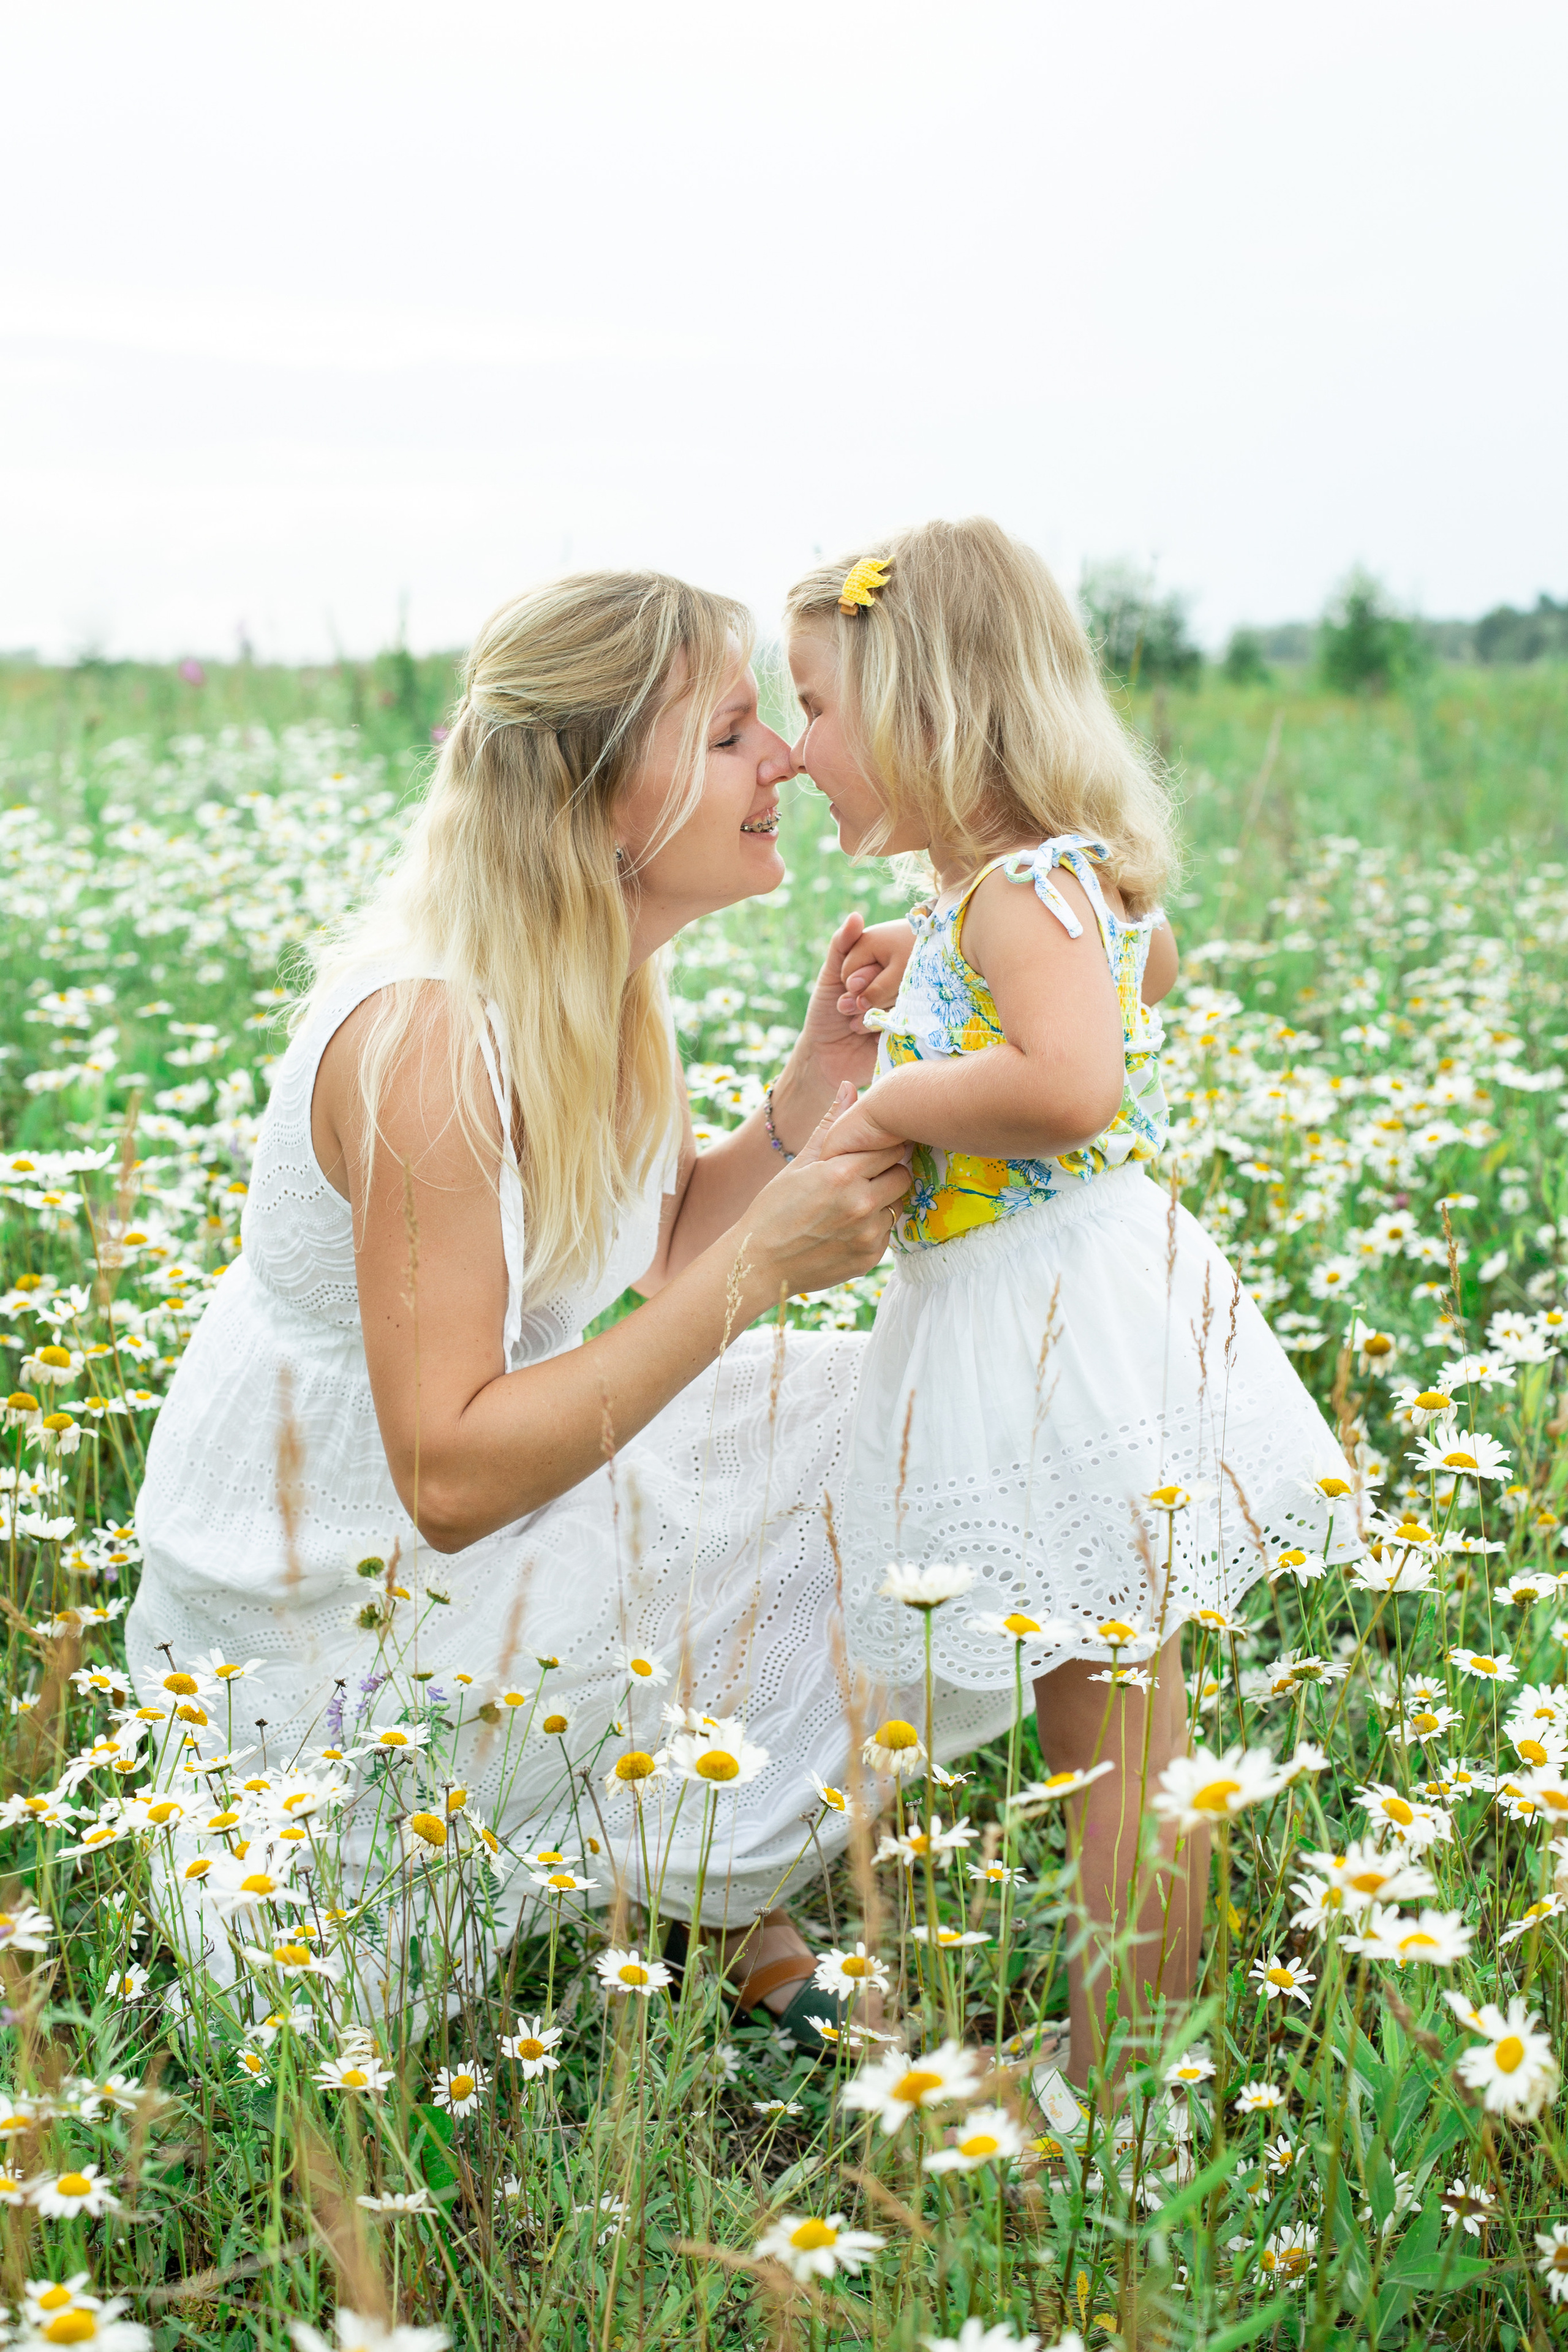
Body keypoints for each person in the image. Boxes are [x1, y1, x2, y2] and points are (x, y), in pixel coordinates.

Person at [126, 570, 932, 2041]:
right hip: (341, 1601)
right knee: (812, 1434)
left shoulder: (591, 976)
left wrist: (800, 1108)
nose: (789, 763)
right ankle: (699, 1884)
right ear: (600, 796)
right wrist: (760, 1273)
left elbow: (646, 1239)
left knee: (871, 1398)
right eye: (735, 733)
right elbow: (446, 1474)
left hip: (474, 1518)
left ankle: (703, 1881)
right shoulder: (426, 1037)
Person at [783, 521, 1363, 2084]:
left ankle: (1122, 2087)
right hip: (1089, 1302)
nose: (799, 748)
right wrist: (945, 970)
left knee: (1102, 1734)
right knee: (1121, 1720)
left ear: (922, 710)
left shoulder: (1007, 897)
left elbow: (1073, 1079)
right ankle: (1135, 2049)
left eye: (818, 707)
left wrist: (901, 1094)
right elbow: (1136, 970)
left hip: (1045, 1329)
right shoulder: (1041, 883)